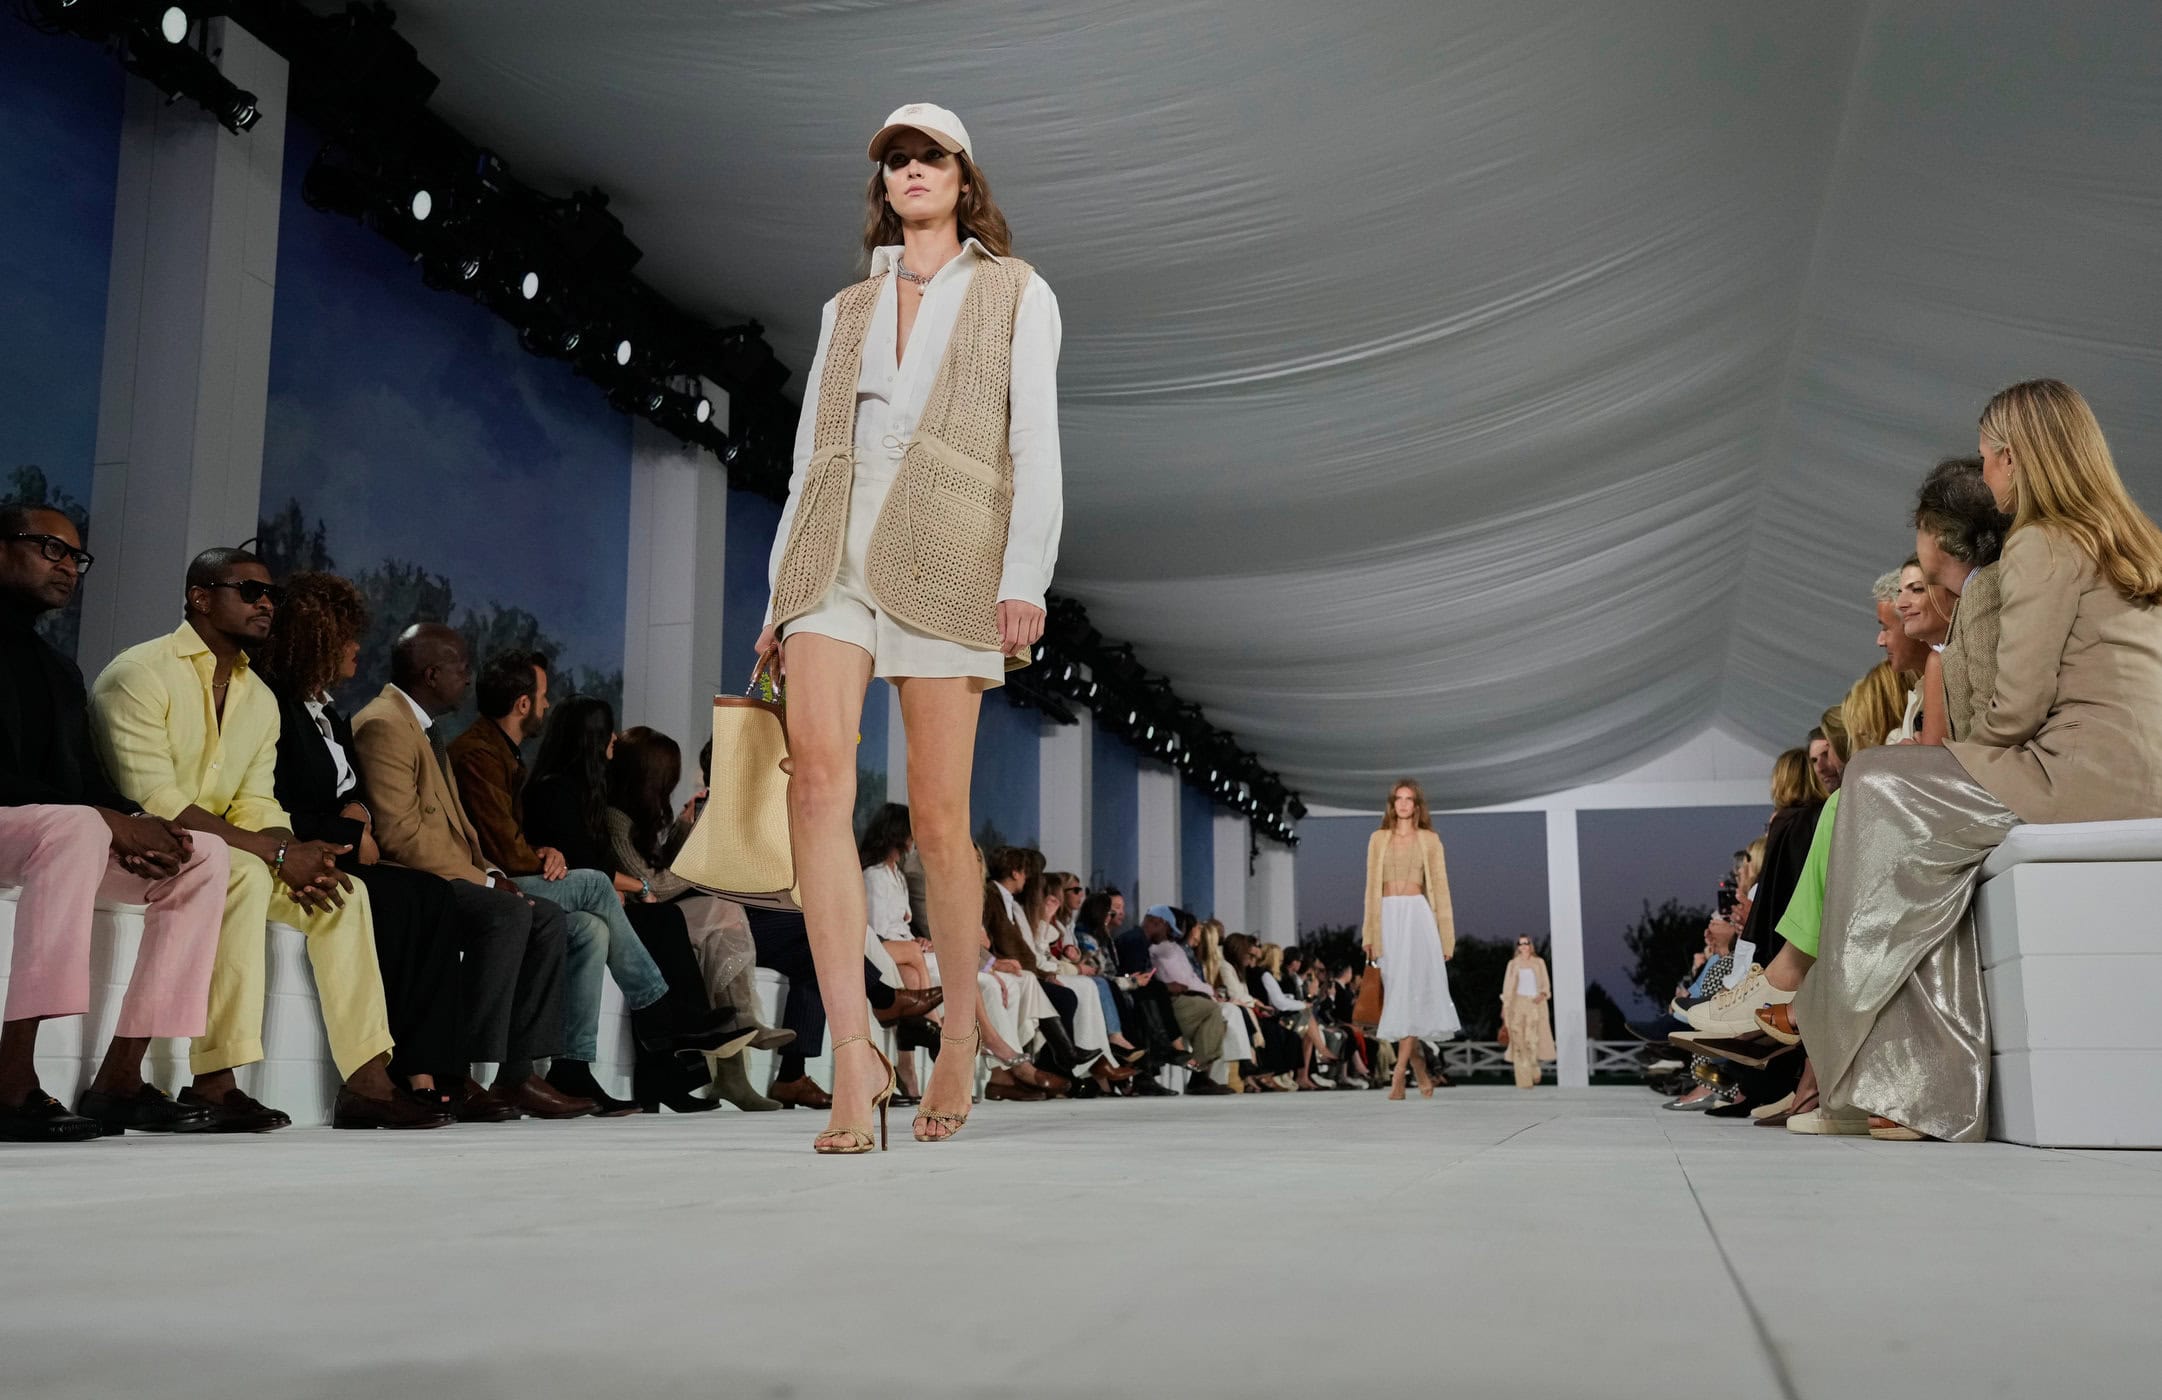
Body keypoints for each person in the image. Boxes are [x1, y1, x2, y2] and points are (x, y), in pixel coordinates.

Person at [754, 102, 1064, 1152]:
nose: (912, 170)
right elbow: (808, 455)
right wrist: (779, 595)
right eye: (895, 160)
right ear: (881, 184)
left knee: (937, 819)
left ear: (964, 176)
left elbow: (1035, 440)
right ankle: (853, 1053)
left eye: (930, 156)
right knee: (815, 780)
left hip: (950, 549)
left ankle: (959, 1038)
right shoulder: (846, 307)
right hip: (833, 549)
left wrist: (1024, 575)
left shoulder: (1015, 290)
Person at [1794, 380, 2162, 1142]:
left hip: (2073, 778)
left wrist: (1949, 749)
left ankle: (1910, 1083)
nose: (1987, 474)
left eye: (1990, 456)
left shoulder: (2041, 544)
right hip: (2133, 775)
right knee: (1903, 804)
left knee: (1873, 783)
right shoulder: (2130, 537)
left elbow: (2014, 711)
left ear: (2014, 459)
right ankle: (1894, 1078)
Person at [91, 547, 446, 1130]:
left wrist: (295, 853)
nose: (266, 605)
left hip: (226, 847)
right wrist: (276, 852)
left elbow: (258, 800)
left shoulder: (257, 697)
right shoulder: (140, 672)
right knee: (244, 875)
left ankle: (367, 1081)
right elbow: (154, 799)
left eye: (272, 595)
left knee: (345, 893)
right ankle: (215, 1078)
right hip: (141, 846)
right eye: (249, 592)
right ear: (200, 598)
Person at [0, 504, 226, 1141]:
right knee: (76, 827)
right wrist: (102, 818)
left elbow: (86, 782)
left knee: (204, 854)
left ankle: (121, 1078)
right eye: (50, 548)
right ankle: (10, 1076)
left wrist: (140, 822)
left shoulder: (59, 669)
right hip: (37, 829)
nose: (69, 567)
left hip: (44, 834)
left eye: (76, 556)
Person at [447, 650, 729, 1094]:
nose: (546, 704)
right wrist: (542, 857)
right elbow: (505, 844)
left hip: (511, 877)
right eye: (541, 696)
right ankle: (664, 1011)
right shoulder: (482, 756)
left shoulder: (513, 761)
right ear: (523, 704)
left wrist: (541, 851)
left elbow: (512, 838)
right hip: (486, 883)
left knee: (593, 930)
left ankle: (573, 1069)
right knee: (603, 888)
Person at [347, 624, 592, 1121]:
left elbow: (460, 833)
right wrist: (485, 882)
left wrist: (492, 872)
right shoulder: (383, 724)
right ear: (431, 673)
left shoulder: (425, 728)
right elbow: (400, 836)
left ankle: (516, 1074)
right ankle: (456, 1069)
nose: (469, 677)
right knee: (507, 911)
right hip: (411, 880)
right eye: (461, 666)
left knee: (547, 916)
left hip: (446, 875)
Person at [253, 572, 465, 1111]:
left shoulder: (327, 713)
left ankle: (426, 1071)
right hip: (307, 849)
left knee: (433, 897)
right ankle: (384, 1077)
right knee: (402, 901)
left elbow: (354, 795)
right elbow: (274, 801)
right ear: (316, 640)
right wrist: (351, 829)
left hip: (349, 847)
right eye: (346, 636)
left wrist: (361, 817)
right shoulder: (275, 706)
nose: (356, 648)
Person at [524, 696, 757, 1114]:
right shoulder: (559, 791)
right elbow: (591, 863)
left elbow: (599, 864)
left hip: (583, 895)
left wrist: (666, 848)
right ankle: (675, 1023)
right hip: (559, 894)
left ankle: (629, 1055)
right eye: (607, 732)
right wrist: (634, 885)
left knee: (656, 920)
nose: (614, 739)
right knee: (658, 919)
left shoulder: (583, 793)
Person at [607, 726, 795, 1111]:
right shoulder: (616, 820)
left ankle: (734, 1062)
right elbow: (653, 885)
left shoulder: (637, 818)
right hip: (640, 915)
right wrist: (699, 863)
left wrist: (683, 831)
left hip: (654, 912)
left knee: (724, 919)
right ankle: (740, 1037)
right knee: (723, 913)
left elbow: (657, 874)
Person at [1361, 780, 1461, 1100]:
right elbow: (1370, 889)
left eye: (1409, 799)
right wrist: (1369, 934)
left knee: (1411, 992)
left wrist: (1446, 939)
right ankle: (1420, 1070)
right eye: (1399, 798)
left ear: (1417, 805)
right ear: (1392, 804)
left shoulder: (1430, 840)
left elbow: (1441, 890)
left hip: (1418, 917)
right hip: (1388, 916)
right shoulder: (1378, 838)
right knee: (1397, 993)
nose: (1403, 804)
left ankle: (1399, 1072)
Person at [1143, 905, 1232, 1095]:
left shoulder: (1173, 948)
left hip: (1181, 1000)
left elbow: (1190, 980)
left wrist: (1208, 992)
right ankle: (1199, 1075)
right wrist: (1209, 991)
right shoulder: (1163, 949)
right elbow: (1184, 982)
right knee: (1213, 1011)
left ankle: (1200, 1074)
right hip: (1173, 1002)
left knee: (1216, 1017)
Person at [858, 803, 932, 990]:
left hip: (908, 946)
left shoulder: (898, 875)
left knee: (953, 966)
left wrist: (918, 940)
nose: (912, 842)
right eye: (910, 835)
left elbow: (903, 924)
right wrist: (910, 945)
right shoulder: (874, 876)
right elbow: (877, 931)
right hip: (889, 949)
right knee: (946, 972)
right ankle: (930, 1007)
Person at [1499, 938, 1555, 1089]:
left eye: (1526, 943)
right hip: (1516, 1004)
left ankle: (1534, 1069)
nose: (1523, 946)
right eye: (1520, 943)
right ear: (1517, 947)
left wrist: (1543, 995)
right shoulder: (1513, 964)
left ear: (1531, 946)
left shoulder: (1539, 962)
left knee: (1532, 1040)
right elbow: (1507, 987)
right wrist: (1505, 1006)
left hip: (1534, 1004)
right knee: (1518, 1042)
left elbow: (1545, 984)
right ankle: (1524, 1081)